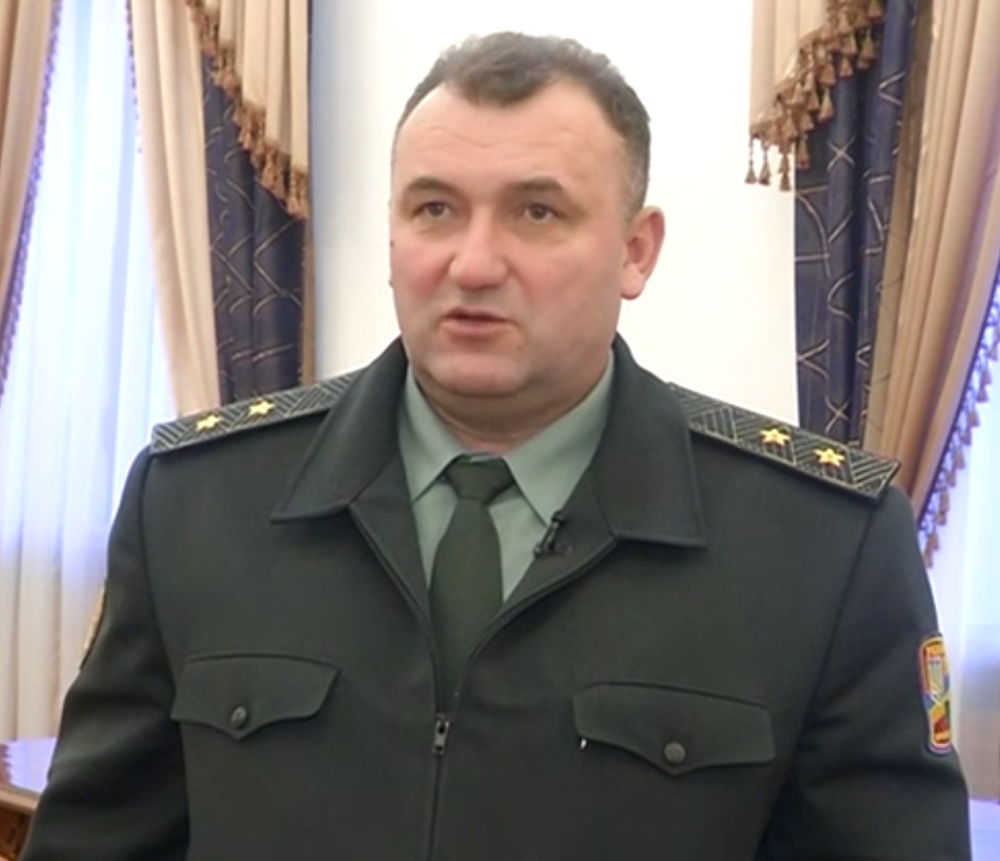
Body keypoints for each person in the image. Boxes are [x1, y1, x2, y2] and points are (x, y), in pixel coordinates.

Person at [23, 31, 970, 861]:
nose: (473, 263)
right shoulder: (199, 503)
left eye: (537, 212)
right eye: (434, 209)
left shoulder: (820, 548)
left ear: (636, 250)